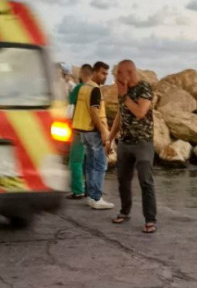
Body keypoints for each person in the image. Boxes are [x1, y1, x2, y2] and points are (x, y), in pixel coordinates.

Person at [107, 60, 156, 233]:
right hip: (125, 143)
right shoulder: (122, 91)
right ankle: (124, 211)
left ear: (129, 72)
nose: (116, 77)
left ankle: (150, 219)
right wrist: (109, 138)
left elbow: (140, 112)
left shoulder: (144, 88)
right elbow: (120, 116)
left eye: (118, 73)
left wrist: (125, 95)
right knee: (123, 181)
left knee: (145, 181)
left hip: (143, 143)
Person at [71, 61, 113, 209]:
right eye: (103, 73)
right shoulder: (95, 89)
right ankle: (96, 198)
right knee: (100, 165)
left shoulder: (84, 87)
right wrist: (103, 131)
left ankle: (90, 195)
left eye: (107, 74)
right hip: (94, 131)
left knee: (90, 164)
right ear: (95, 72)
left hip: (83, 131)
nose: (105, 76)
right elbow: (94, 111)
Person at [66, 65, 89, 199]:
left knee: (75, 161)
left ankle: (78, 190)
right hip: (91, 130)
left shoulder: (79, 88)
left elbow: (69, 100)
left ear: (82, 74)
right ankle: (88, 187)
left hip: (79, 129)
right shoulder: (94, 88)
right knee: (87, 161)